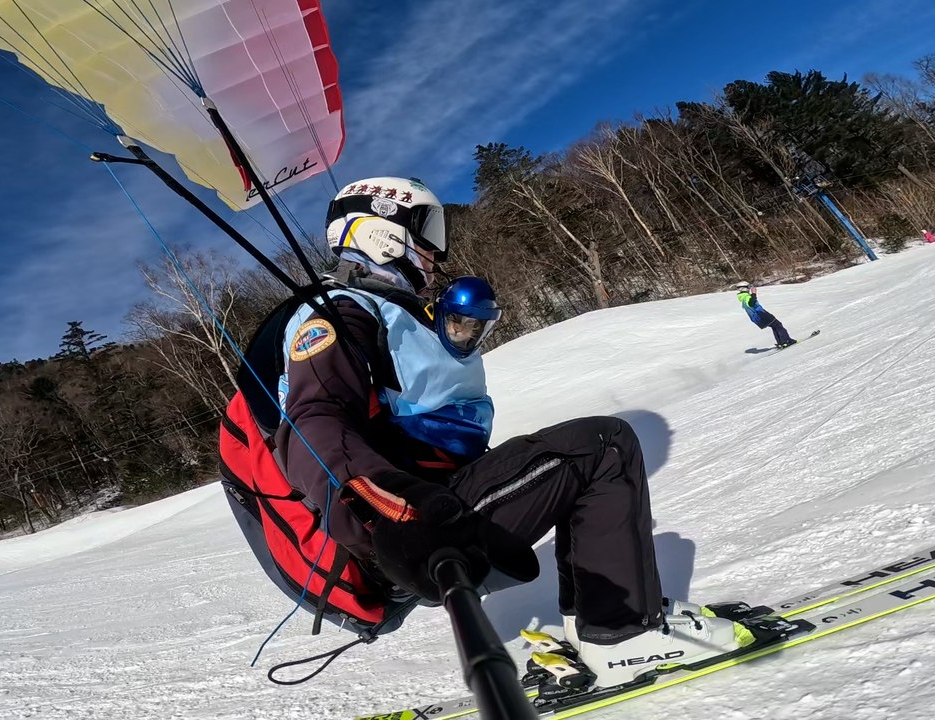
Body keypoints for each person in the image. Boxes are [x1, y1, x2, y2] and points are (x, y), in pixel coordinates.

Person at [242, 176, 764, 691]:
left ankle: (605, 621)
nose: (434, 250)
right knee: (602, 447)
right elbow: (315, 422)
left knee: (569, 458)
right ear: (380, 230)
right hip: (404, 532)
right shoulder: (339, 313)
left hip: (426, 517)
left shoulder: (392, 311)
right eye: (425, 229)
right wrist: (387, 514)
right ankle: (620, 634)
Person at [735, 281, 795, 348]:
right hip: (762, 315)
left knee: (775, 326)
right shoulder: (746, 297)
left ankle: (781, 342)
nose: (750, 288)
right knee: (778, 325)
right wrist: (754, 293)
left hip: (758, 317)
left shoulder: (743, 297)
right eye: (748, 287)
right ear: (744, 288)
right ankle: (786, 341)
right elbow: (751, 303)